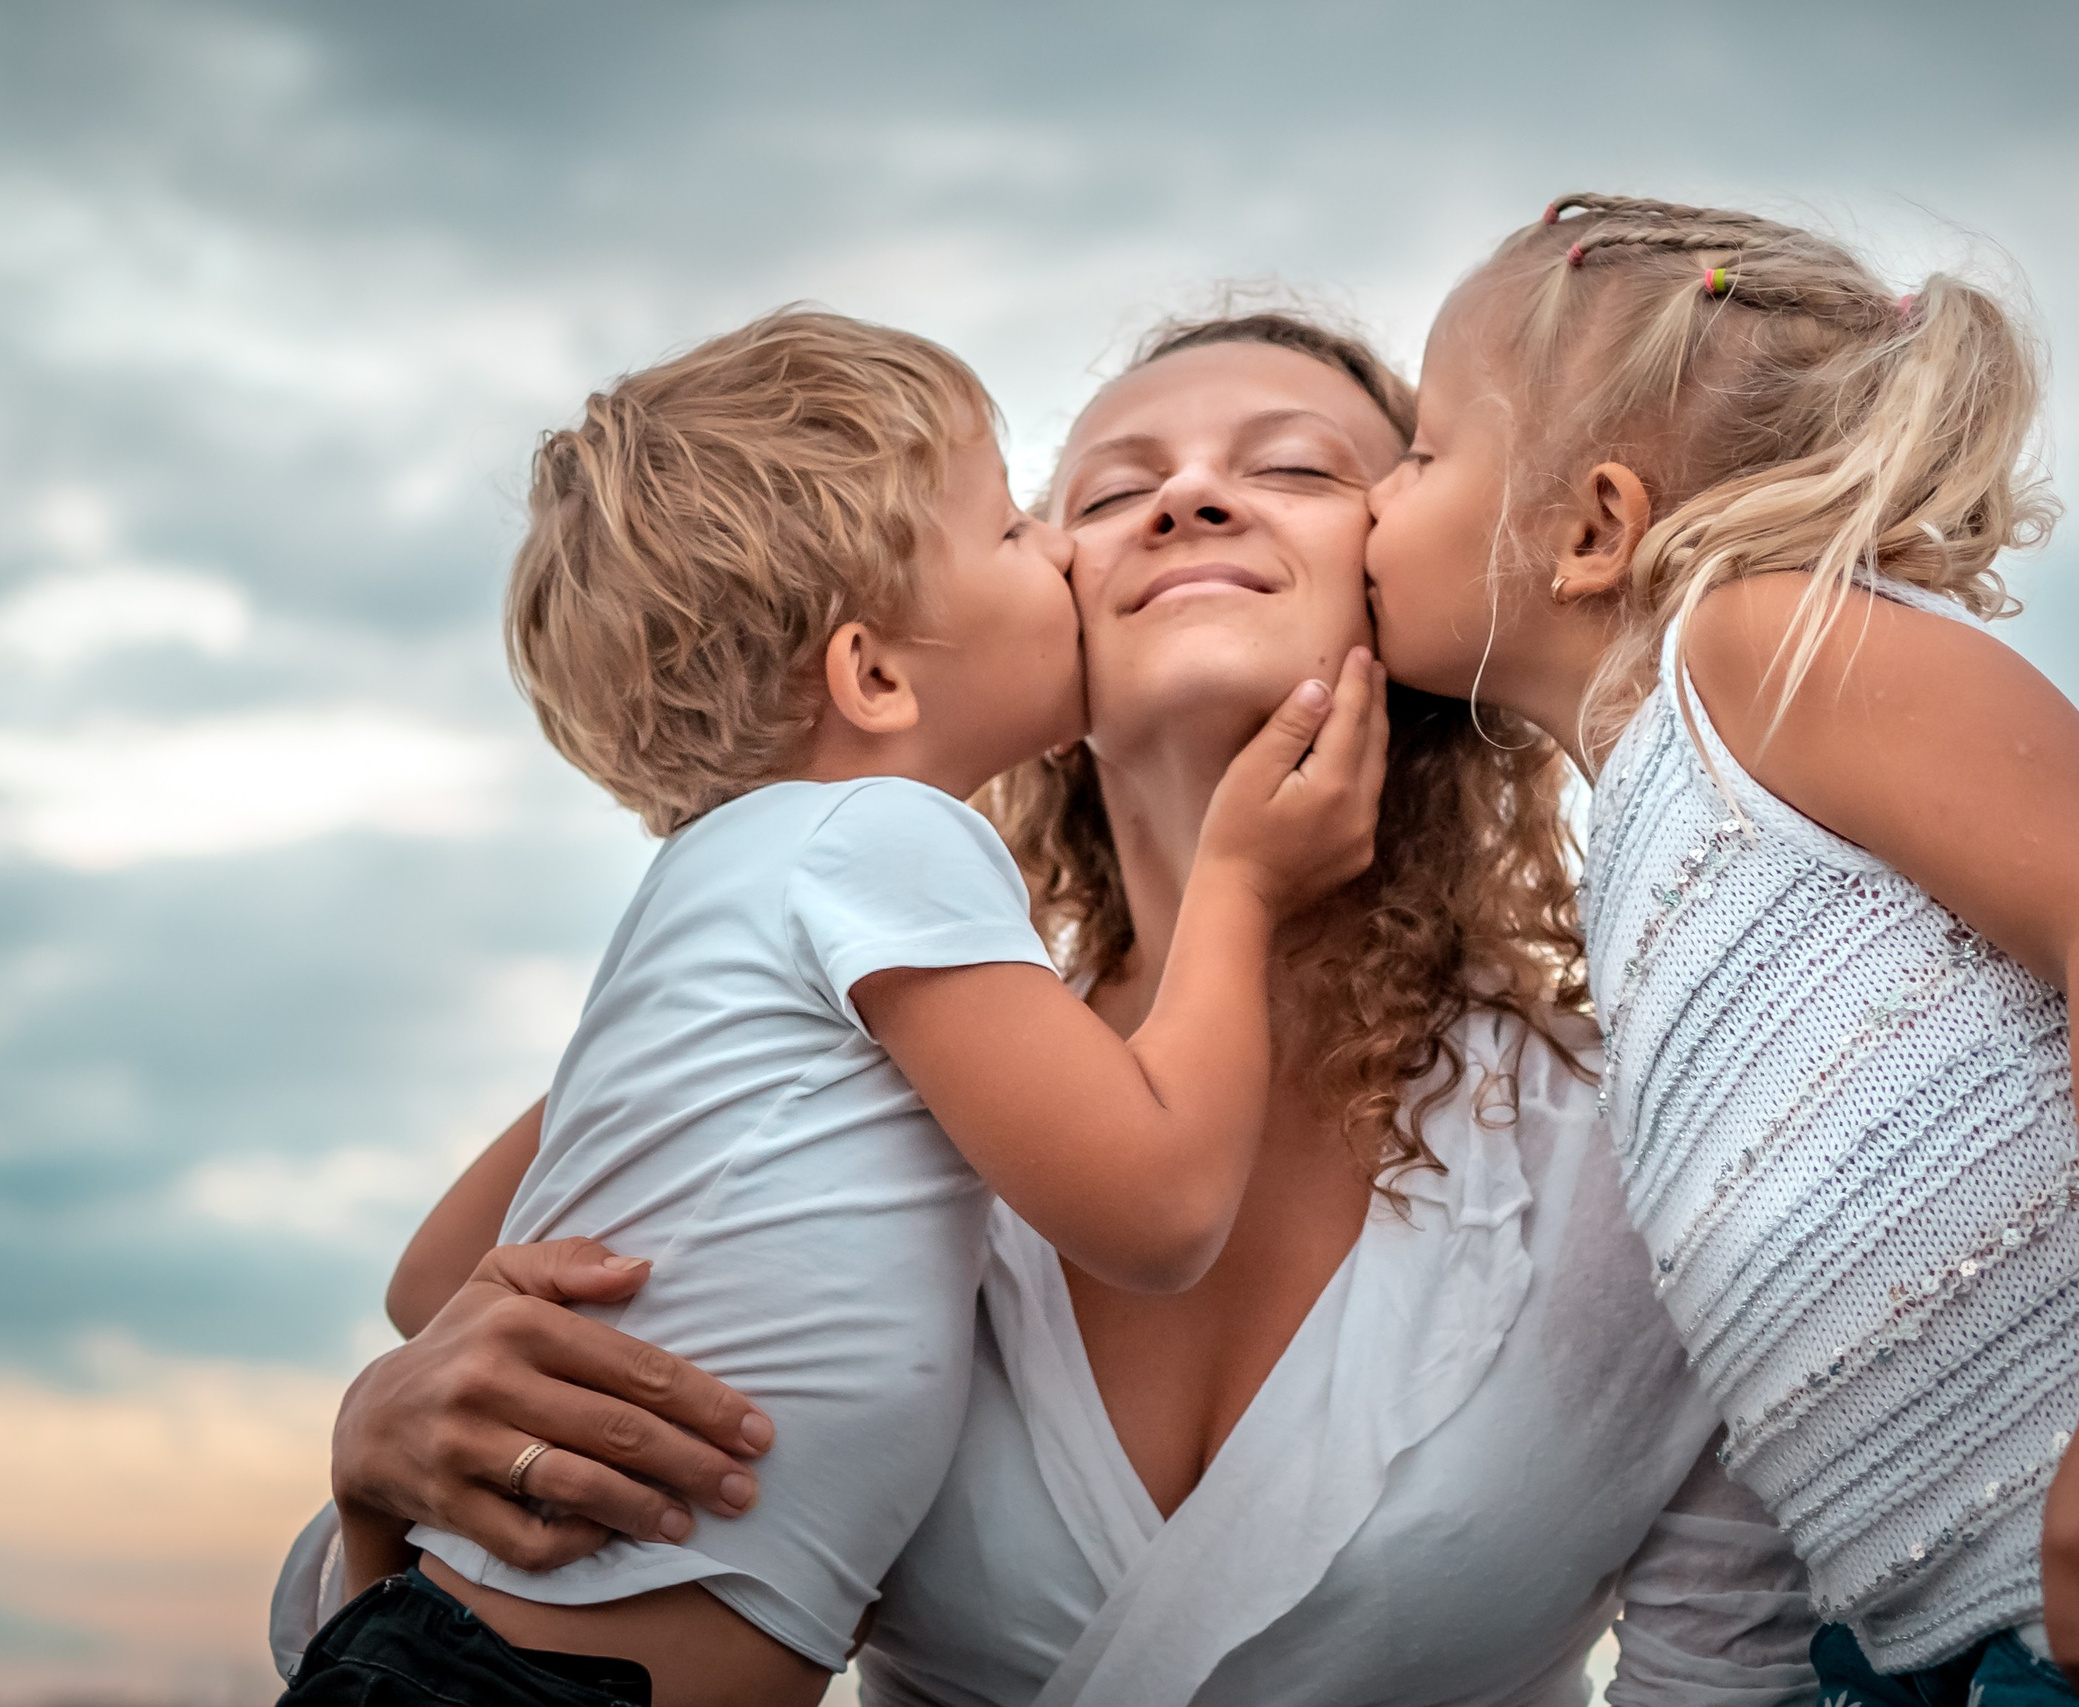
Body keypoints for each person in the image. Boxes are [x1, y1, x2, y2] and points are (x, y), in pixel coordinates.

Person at [275, 308, 1825, 1706]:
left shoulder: (1651, 1156)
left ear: (1418, 571)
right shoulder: (871, 1047)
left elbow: (1723, 1676)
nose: (1189, 498)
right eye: (1077, 500)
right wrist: (380, 1465)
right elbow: (461, 1530)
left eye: (1290, 465)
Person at [1360, 193, 2079, 1705]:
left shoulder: (1750, 646)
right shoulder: (1651, 827)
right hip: (1960, 1618)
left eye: (1424, 454)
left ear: (1594, 528)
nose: (1378, 498)